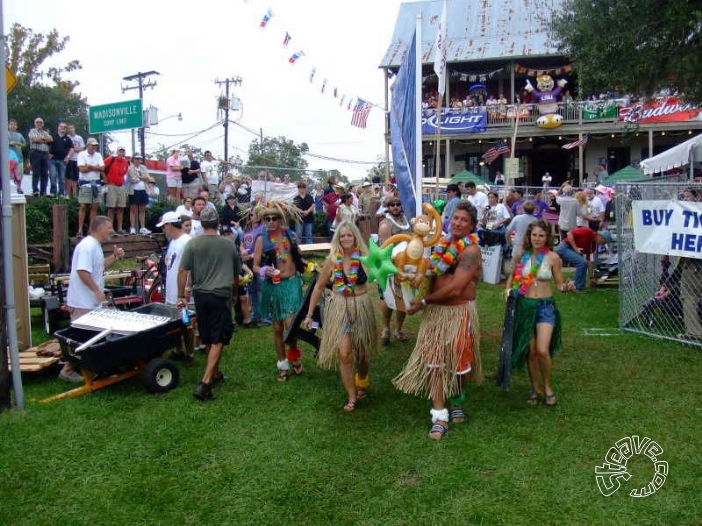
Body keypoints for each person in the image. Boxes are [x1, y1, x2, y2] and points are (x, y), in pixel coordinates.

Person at [393, 201, 483, 440]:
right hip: (436, 313)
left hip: (458, 313)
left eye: (464, 220)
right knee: (435, 364)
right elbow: (431, 273)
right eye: (455, 218)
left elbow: (455, 288)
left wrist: (423, 302)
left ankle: (457, 397)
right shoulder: (442, 246)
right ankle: (439, 415)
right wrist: (414, 279)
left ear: (472, 225)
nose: (458, 223)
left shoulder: (471, 251)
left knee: (459, 366)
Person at [304, 221, 377, 412]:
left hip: (361, 305)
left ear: (355, 237)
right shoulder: (332, 260)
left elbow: (379, 272)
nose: (345, 238)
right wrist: (310, 314)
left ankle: (361, 381)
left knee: (362, 354)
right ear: (338, 238)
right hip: (339, 307)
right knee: (344, 354)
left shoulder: (364, 257)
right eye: (342, 235)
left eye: (349, 235)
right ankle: (351, 396)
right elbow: (319, 287)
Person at [505, 220, 574, 407]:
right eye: (534, 235)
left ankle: (548, 386)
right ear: (529, 236)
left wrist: (566, 287)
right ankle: (535, 388)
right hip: (524, 305)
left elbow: (559, 284)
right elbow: (512, 275)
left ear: (547, 238)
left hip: (545, 306)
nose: (537, 239)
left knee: (543, 350)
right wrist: (508, 291)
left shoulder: (553, 258)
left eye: (541, 235)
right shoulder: (521, 254)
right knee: (532, 351)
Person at [178, 207, 240, 401]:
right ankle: (205, 383)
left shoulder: (193, 244)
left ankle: (216, 373)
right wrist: (235, 295)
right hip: (220, 295)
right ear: (218, 222)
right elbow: (235, 275)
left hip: (200, 296)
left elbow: (182, 271)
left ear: (201, 223)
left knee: (207, 337)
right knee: (218, 339)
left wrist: (182, 295)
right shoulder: (228, 244)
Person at [59, 216, 125, 382]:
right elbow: (83, 271)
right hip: (82, 301)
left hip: (88, 301)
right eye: (109, 228)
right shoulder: (88, 246)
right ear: (99, 228)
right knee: (82, 337)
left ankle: (91, 367)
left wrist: (115, 256)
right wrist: (96, 290)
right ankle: (67, 370)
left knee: (91, 336)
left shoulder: (94, 246)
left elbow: (98, 266)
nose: (112, 231)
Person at [252, 206, 306, 382]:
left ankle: (294, 356)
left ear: (280, 219)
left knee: (290, 325)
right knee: (277, 328)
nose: (271, 222)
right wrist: (264, 270)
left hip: (291, 284)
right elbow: (255, 266)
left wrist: (307, 264)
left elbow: (297, 256)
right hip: (273, 286)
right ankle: (283, 364)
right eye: (267, 219)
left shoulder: (289, 235)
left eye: (274, 218)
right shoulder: (261, 239)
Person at [158, 211, 194, 364]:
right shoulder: (173, 242)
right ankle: (178, 349)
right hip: (172, 292)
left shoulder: (187, 242)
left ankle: (190, 353)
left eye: (164, 227)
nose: (163, 230)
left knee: (186, 323)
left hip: (183, 293)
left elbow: (191, 268)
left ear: (170, 225)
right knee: (174, 322)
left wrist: (186, 291)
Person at [377, 196, 411, 345]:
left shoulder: (407, 221)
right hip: (388, 266)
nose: (396, 207)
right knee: (387, 298)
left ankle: (398, 329)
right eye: (392, 205)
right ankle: (386, 329)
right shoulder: (385, 224)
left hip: (405, 266)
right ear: (388, 207)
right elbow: (384, 249)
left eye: (398, 204)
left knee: (402, 298)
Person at [556, 226, 607, 292]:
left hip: (570, 249)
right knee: (582, 262)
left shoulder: (593, 245)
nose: (601, 244)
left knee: (584, 263)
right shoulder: (588, 231)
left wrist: (591, 278)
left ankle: (577, 286)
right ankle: (576, 286)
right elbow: (569, 234)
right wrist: (575, 248)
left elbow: (589, 261)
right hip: (564, 247)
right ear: (600, 236)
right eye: (603, 241)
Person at [76, 138, 104, 238]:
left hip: (96, 183)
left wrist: (90, 166)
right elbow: (82, 169)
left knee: (94, 207)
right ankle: (79, 229)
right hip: (85, 183)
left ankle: (90, 229)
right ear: (88, 145)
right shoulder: (82, 154)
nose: (94, 147)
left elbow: (102, 168)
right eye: (92, 145)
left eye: (95, 145)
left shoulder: (98, 155)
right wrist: (95, 167)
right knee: (83, 205)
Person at [103, 146, 130, 233]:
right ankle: (109, 228)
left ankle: (120, 228)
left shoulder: (126, 162)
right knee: (111, 207)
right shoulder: (111, 159)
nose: (121, 153)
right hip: (112, 185)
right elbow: (101, 168)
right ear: (117, 152)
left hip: (121, 186)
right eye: (120, 151)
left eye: (123, 151)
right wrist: (105, 178)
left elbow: (124, 173)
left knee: (121, 208)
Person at [28, 116, 53, 196]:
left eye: (40, 122)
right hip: (35, 153)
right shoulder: (32, 131)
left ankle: (43, 191)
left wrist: (40, 139)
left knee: (45, 173)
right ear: (34, 123)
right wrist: (45, 140)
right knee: (36, 172)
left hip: (44, 154)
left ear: (43, 124)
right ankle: (35, 190)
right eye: (37, 122)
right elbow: (35, 139)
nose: (39, 123)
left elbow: (51, 139)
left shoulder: (45, 132)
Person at [48, 121, 74, 198]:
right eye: (61, 126)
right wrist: (48, 154)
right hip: (52, 160)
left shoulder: (68, 138)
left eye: (64, 127)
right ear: (58, 127)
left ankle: (61, 193)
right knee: (52, 176)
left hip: (63, 161)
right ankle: (53, 192)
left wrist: (68, 157)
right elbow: (46, 145)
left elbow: (72, 149)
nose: (63, 128)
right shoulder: (53, 136)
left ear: (66, 129)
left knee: (62, 178)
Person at [127, 154, 150, 234]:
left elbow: (147, 177)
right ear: (133, 160)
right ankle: (132, 228)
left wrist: (139, 177)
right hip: (134, 190)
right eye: (136, 159)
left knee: (142, 209)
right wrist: (142, 177)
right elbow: (133, 179)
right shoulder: (130, 168)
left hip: (144, 189)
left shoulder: (143, 167)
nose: (138, 160)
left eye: (139, 159)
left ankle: (142, 227)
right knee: (133, 209)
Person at [65, 124, 84, 199]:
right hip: (69, 159)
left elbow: (82, 149)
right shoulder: (66, 138)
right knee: (68, 177)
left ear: (74, 129)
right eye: (69, 128)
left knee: (75, 178)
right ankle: (67, 194)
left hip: (77, 160)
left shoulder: (79, 138)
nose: (70, 130)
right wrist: (73, 149)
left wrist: (73, 148)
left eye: (71, 128)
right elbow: (66, 149)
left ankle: (75, 195)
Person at [8, 119, 26, 193]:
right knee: (10, 175)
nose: (13, 126)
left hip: (19, 158)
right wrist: (10, 143)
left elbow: (24, 144)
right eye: (11, 124)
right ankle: (9, 190)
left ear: (17, 126)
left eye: (14, 124)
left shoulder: (19, 135)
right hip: (9, 158)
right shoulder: (5, 133)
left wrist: (19, 144)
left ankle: (18, 188)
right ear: (8, 125)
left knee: (19, 175)